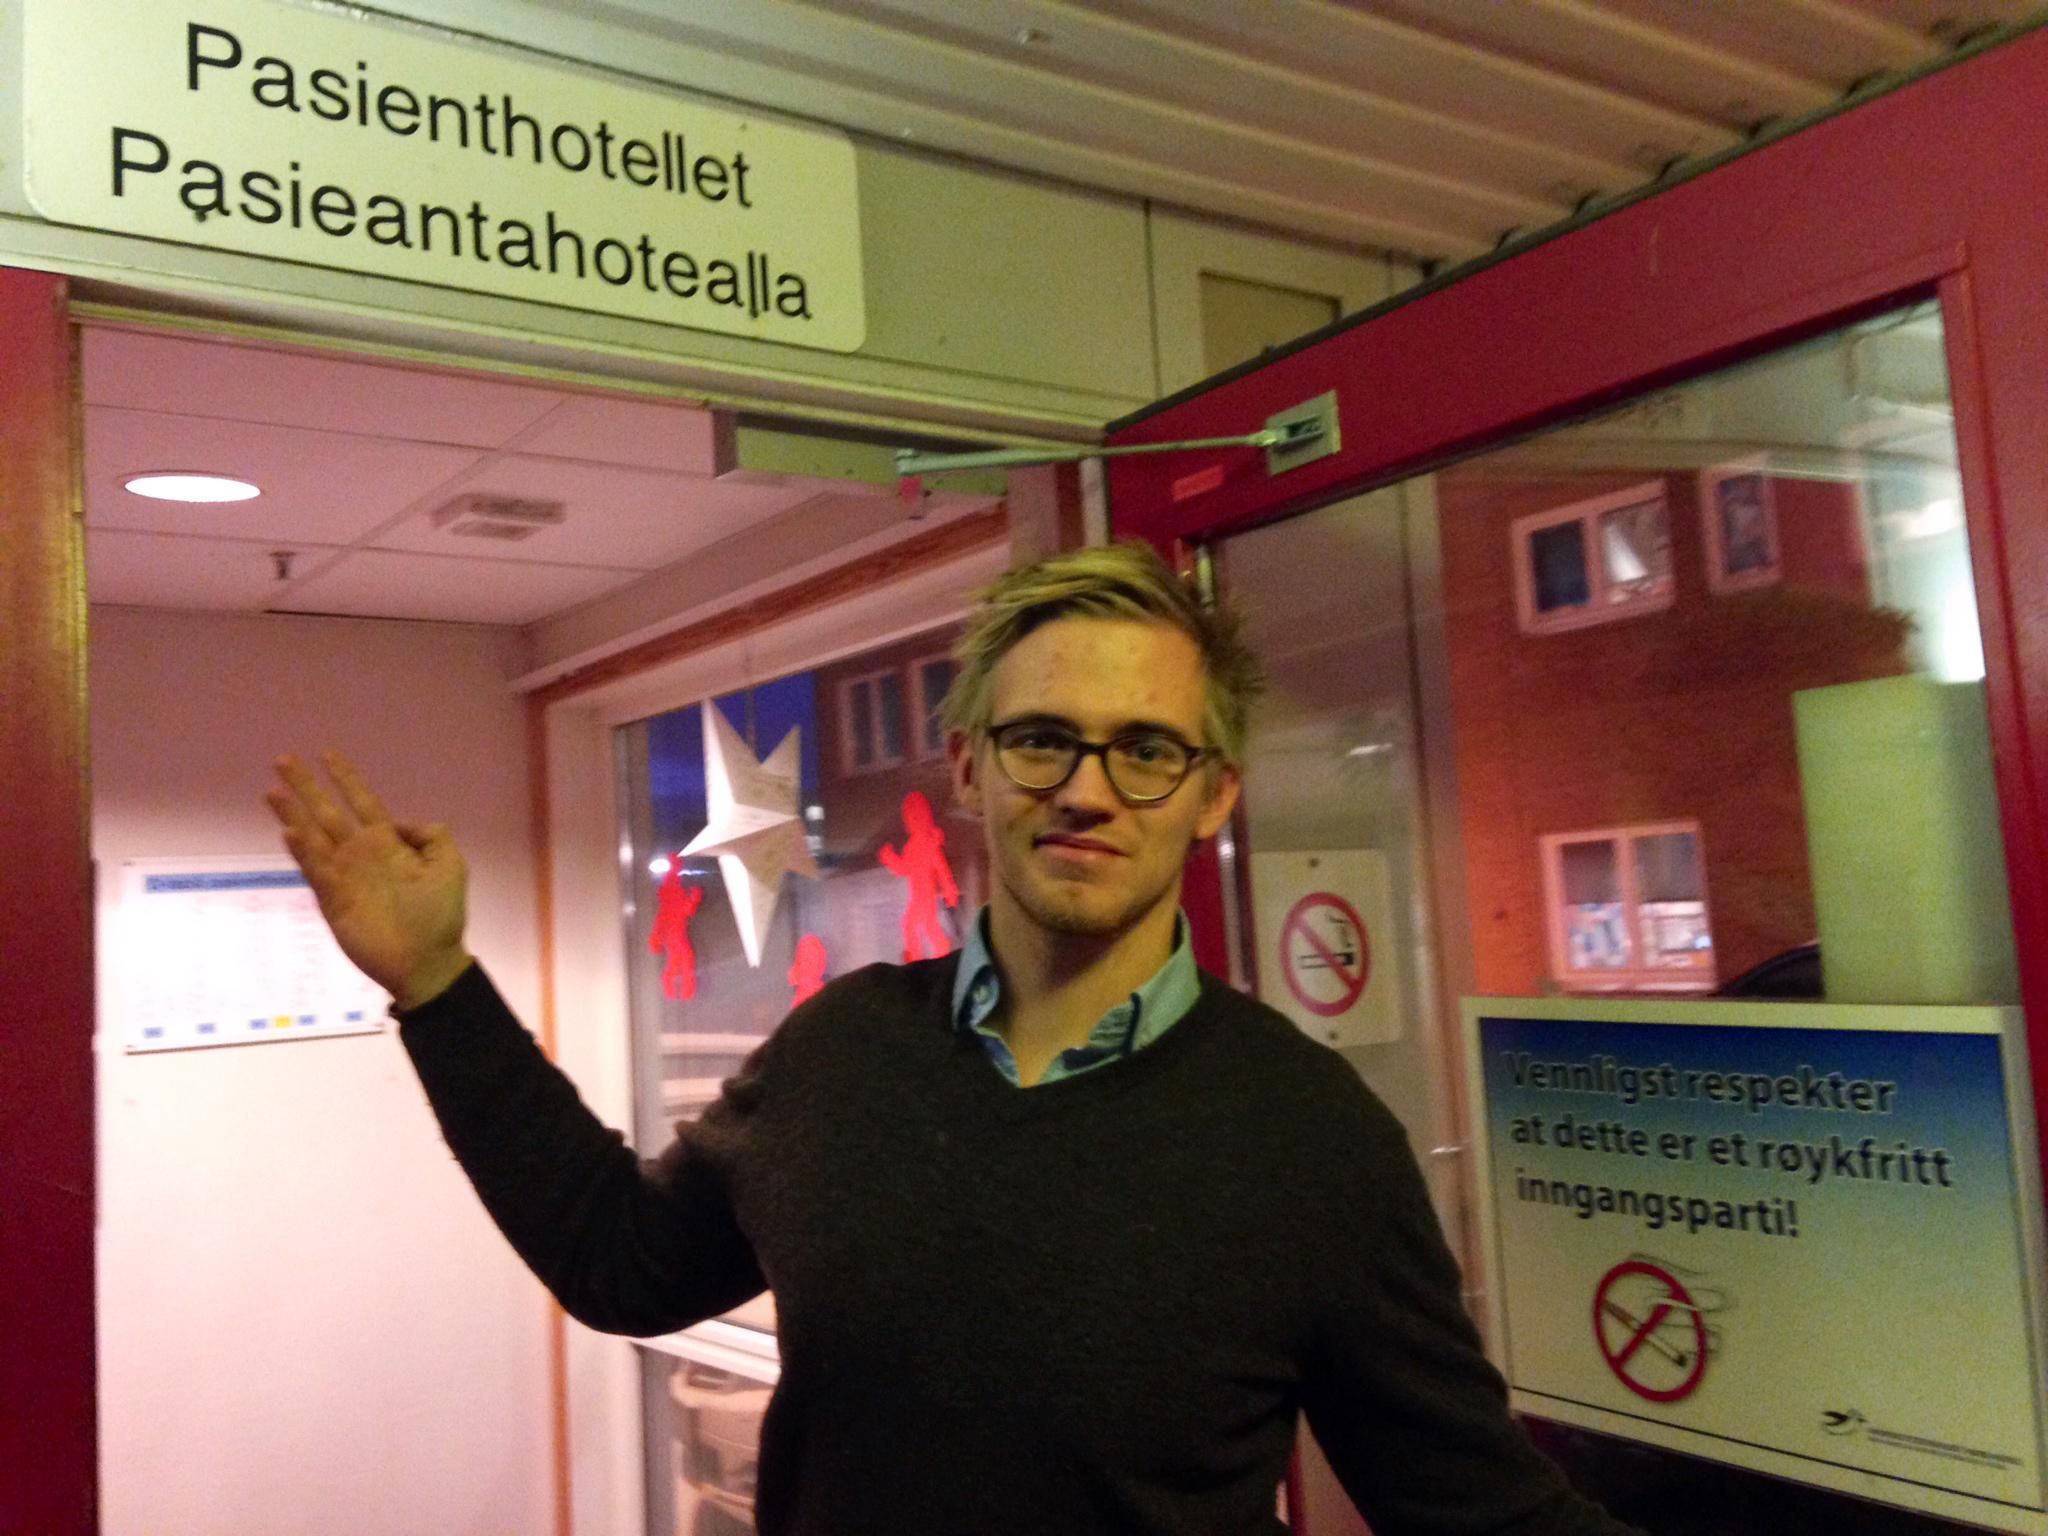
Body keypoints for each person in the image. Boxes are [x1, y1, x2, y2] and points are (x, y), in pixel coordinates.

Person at [265, 541, 1641, 1535]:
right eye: (1043, 739)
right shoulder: (839, 1055)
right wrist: (438, 983)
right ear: (973, 766)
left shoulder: (1310, 1140)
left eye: (1145, 749)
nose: (1088, 790)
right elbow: (623, 1263)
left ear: (1213, 793)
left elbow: (1477, 1512)